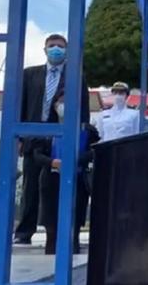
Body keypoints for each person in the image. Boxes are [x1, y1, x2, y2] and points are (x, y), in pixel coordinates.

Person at [15, 34, 90, 245]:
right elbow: (20, 104)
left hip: (61, 139)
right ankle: (24, 232)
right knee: (30, 186)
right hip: (34, 135)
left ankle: (59, 231)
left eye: (60, 46)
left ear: (66, 51)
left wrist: (81, 138)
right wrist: (19, 136)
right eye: (52, 46)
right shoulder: (30, 75)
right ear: (44, 49)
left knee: (58, 185)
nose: (56, 49)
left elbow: (83, 110)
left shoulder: (75, 76)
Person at [30, 91, 99, 254]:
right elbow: (37, 155)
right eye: (60, 102)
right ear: (54, 106)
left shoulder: (87, 129)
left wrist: (75, 159)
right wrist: (52, 162)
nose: (64, 106)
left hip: (78, 179)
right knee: (51, 220)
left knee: (74, 218)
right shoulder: (46, 129)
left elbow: (94, 151)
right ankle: (51, 249)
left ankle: (73, 246)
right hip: (51, 179)